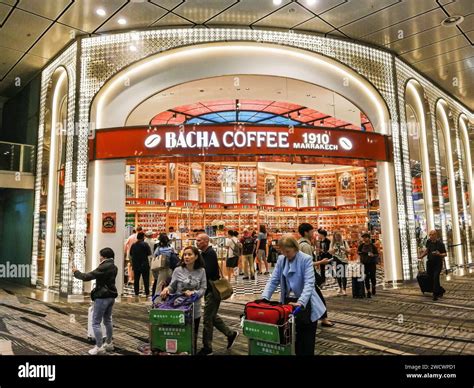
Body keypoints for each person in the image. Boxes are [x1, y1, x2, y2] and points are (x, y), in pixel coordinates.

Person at [262, 235, 326, 356]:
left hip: (306, 303)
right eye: (283, 251)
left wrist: (301, 302)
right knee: (290, 338)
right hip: (287, 303)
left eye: (288, 251)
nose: (286, 254)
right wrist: (265, 297)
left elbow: (309, 284)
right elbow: (273, 280)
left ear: (295, 248)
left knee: (305, 341)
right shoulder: (281, 259)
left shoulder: (305, 259)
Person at [196, 233, 238, 356]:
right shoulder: (205, 253)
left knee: (208, 319)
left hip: (213, 290)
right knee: (212, 316)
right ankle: (230, 334)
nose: (196, 242)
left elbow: (208, 271)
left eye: (199, 240)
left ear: (205, 241)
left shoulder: (209, 253)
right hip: (209, 290)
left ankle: (207, 347)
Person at [160, 246, 206, 353]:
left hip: (194, 308)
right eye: (185, 254)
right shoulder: (178, 270)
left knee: (192, 335)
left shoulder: (201, 271)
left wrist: (194, 293)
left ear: (196, 257)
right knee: (179, 333)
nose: (186, 257)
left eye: (190, 254)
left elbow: (203, 288)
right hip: (178, 308)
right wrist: (166, 290)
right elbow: (172, 286)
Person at [72, 247, 118, 355]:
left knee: (96, 322)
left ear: (104, 256)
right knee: (107, 320)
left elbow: (87, 276)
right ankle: (109, 343)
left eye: (100, 255)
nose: (99, 258)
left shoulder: (104, 266)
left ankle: (99, 347)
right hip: (111, 296)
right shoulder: (114, 266)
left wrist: (76, 272)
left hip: (102, 297)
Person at [297, 223, 334, 327]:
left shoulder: (298, 243)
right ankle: (323, 318)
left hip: (300, 276)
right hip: (308, 275)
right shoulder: (306, 246)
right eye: (312, 231)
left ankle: (319, 318)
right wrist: (321, 262)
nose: (314, 233)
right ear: (306, 232)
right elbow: (308, 264)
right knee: (318, 296)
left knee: (309, 297)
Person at [418, 230, 447, 301]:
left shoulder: (440, 244)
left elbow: (445, 254)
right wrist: (421, 256)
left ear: (435, 235)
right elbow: (427, 251)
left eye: (432, 235)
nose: (430, 236)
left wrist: (439, 254)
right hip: (430, 263)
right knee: (431, 278)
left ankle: (435, 294)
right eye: (430, 235)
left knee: (436, 277)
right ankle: (441, 290)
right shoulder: (428, 242)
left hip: (437, 263)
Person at [130, 232, 151, 297]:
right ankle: (147, 293)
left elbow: (131, 254)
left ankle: (136, 293)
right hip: (144, 264)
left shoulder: (133, 245)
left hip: (136, 264)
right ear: (143, 237)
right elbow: (149, 253)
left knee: (136, 279)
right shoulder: (145, 244)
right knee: (146, 279)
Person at [358, 233, 379, 298]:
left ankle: (373, 286)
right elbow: (358, 252)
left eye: (365, 237)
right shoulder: (361, 246)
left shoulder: (372, 246)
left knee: (373, 276)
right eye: (363, 237)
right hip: (364, 263)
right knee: (366, 277)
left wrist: (373, 255)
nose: (364, 239)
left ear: (368, 238)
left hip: (372, 263)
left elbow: (377, 254)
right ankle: (368, 291)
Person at [329, 232, 350, 296]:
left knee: (343, 275)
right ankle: (340, 288)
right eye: (336, 236)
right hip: (336, 259)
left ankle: (344, 289)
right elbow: (330, 252)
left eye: (338, 236)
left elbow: (349, 251)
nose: (337, 238)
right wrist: (333, 250)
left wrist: (344, 249)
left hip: (344, 260)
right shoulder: (332, 243)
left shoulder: (344, 242)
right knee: (338, 274)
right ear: (334, 237)